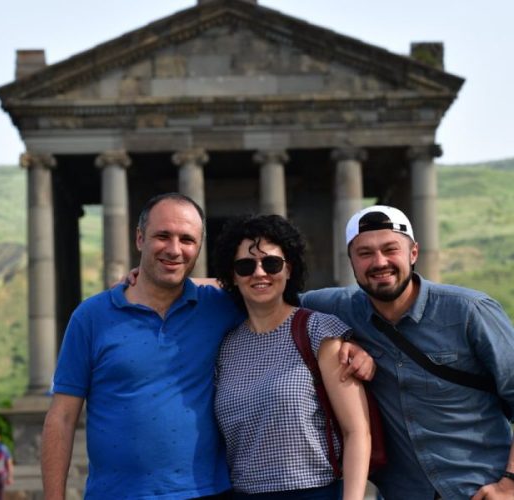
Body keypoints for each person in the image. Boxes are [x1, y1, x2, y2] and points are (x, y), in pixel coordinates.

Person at [44, 192, 373, 500]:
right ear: (140, 238)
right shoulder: (91, 317)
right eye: (163, 237)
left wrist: (358, 348)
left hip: (210, 493)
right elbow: (61, 417)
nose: (175, 249)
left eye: (187, 240)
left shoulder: (221, 310)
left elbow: (268, 293)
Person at [300, 205, 514, 500]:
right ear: (350, 260)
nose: (380, 262)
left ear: (413, 253)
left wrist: (510, 483)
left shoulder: (469, 311)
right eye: (365, 253)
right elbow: (259, 295)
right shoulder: (337, 308)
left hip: (479, 489)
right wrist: (340, 339)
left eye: (391, 249)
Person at [213, 214, 371, 499]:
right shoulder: (225, 346)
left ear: (288, 269)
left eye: (271, 263)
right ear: (233, 276)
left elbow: (357, 432)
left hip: (314, 491)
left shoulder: (318, 330)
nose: (259, 273)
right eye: (245, 266)